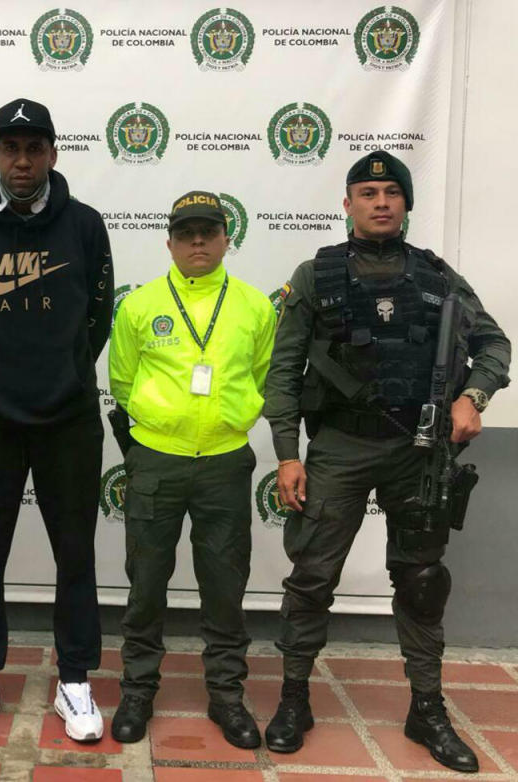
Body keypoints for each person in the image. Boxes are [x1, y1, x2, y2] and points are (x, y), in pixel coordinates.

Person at [263, 150, 511, 773]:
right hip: (340, 448)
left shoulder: (437, 277)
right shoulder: (315, 276)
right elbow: (284, 371)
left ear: (406, 204)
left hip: (416, 450)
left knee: (422, 583)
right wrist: (288, 455)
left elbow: (493, 344)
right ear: (347, 205)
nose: (380, 202)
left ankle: (426, 707)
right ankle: (295, 698)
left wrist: (471, 397)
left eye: (391, 192)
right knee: (312, 577)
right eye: (367, 192)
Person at [0, 98, 114, 741]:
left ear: (52, 154)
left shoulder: (87, 227)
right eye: (9, 148)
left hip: (69, 417)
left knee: (76, 553)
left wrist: (66, 375)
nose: (22, 161)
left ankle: (75, 680)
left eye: (33, 148)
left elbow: (96, 321)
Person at [108, 190, 275, 747]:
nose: (198, 242)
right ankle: (137, 690)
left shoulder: (254, 306)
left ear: (228, 237)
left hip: (225, 462)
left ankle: (226, 696)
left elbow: (262, 375)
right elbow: (124, 384)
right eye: (186, 233)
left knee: (225, 584)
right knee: (146, 581)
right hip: (157, 459)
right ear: (170, 242)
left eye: (208, 231)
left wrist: (230, 420)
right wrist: (152, 437)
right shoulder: (139, 305)